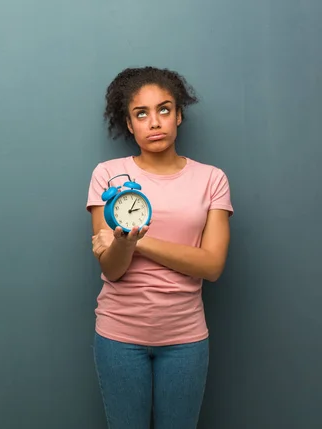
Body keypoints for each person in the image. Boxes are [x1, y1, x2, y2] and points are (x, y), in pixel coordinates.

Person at [86, 66, 234, 429]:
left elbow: (212, 265)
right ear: (129, 122)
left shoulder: (212, 179)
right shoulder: (108, 175)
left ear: (179, 114)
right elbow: (113, 269)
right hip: (119, 337)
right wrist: (122, 249)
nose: (154, 122)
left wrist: (136, 240)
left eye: (164, 110)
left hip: (186, 340)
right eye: (142, 113)